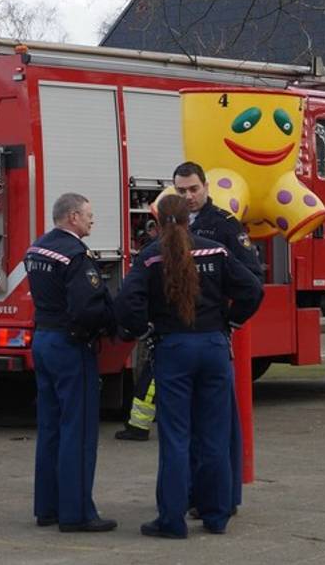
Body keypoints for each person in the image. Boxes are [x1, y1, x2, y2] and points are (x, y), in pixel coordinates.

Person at [113, 194, 263, 538]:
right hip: (213, 347)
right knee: (214, 435)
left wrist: (144, 331)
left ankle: (171, 519)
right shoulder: (215, 251)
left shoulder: (151, 257)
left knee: (175, 437)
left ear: (157, 222)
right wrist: (232, 322)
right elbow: (252, 289)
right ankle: (216, 516)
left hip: (173, 348)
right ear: (188, 219)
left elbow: (126, 302)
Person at [117, 161, 262, 443]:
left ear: (206, 187)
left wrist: (230, 320)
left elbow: (251, 280)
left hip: (206, 322)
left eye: (194, 189)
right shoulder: (166, 225)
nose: (188, 196)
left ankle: (149, 427)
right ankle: (139, 424)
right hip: (168, 322)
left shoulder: (225, 225)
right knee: (156, 376)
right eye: (181, 191)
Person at [24, 194, 118, 533]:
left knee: (49, 428)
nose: (93, 220)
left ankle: (47, 507)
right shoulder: (75, 255)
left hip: (44, 340)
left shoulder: (36, 249)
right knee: (77, 431)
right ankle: (77, 513)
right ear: (74, 216)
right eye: (90, 215)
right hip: (70, 345)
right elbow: (87, 307)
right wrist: (111, 325)